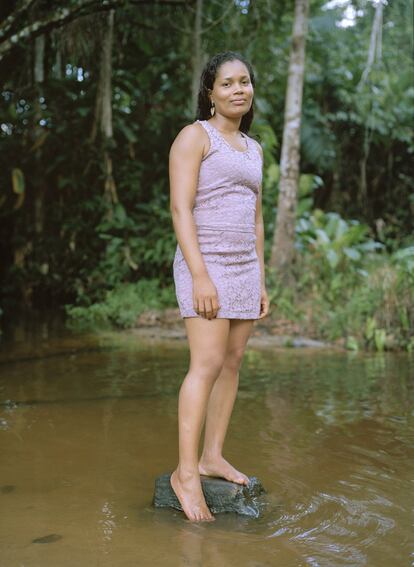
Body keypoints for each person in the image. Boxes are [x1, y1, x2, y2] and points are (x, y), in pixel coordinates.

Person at [169, 51, 269, 522]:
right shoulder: (194, 137)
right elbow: (180, 209)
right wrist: (201, 274)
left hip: (245, 268)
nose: (237, 90)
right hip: (203, 263)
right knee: (206, 363)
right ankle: (186, 474)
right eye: (227, 83)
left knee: (231, 363)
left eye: (244, 82)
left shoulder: (255, 148)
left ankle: (212, 456)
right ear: (210, 91)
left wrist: (262, 279)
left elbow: (256, 216)